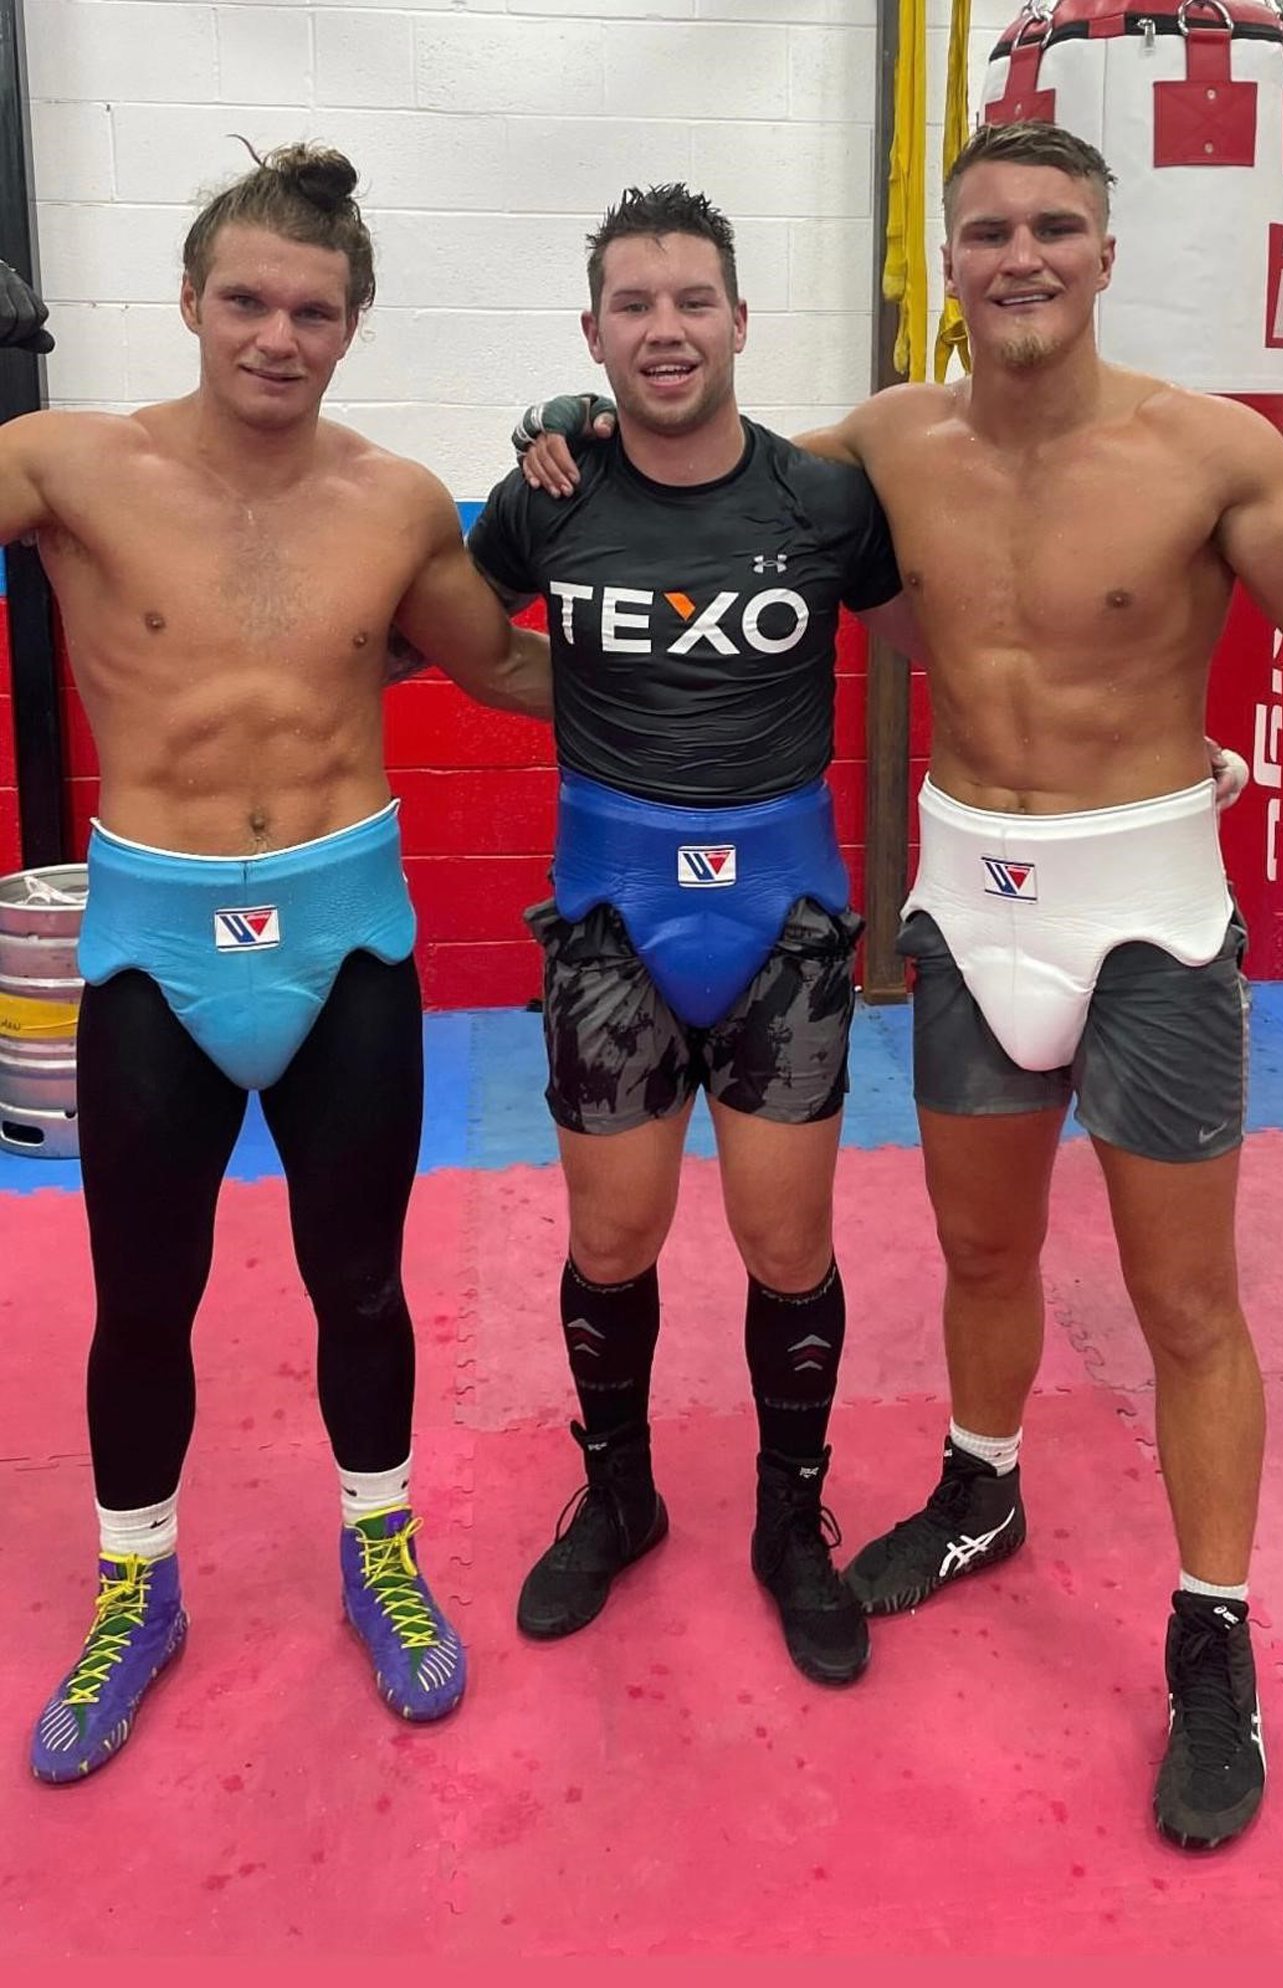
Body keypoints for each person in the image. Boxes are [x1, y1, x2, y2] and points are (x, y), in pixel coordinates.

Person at [515, 123, 1283, 1849]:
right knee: (983, 1251)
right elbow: (699, 457)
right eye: (989, 229)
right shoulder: (874, 451)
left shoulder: (1208, 453)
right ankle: (982, 1488)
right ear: (950, 257)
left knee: (1186, 1306)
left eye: (1054, 228)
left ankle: (1211, 1632)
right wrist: (570, 450)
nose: (1021, 255)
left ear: (1102, 248)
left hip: (1147, 903)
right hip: (965, 899)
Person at [0, 143, 551, 1782]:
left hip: (348, 933)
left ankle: (378, 1551)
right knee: (140, 1297)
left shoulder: (390, 498)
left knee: (363, 1278)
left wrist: (708, 665)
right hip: (155, 944)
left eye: (312, 310)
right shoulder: (63, 465)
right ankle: (136, 1589)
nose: (275, 335)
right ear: (186, 301)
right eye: (244, 299)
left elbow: (506, 668)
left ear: (355, 324)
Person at [471, 184, 911, 1689]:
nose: (666, 329)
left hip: (780, 918)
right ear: (592, 330)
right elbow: (451, 638)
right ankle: (622, 1495)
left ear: (738, 319)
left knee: (789, 1244)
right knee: (612, 1238)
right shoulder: (547, 499)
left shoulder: (825, 502)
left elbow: (948, 644)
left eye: (692, 301)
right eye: (634, 305)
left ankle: (793, 1525)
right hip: (610, 916)